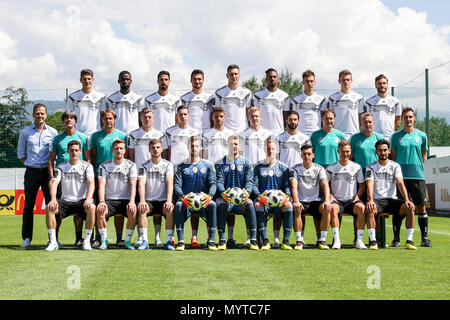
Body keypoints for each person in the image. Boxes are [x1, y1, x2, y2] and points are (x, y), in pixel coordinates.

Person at [48, 110, 91, 247]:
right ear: (63, 121)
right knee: (56, 207)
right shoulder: (57, 139)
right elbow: (51, 160)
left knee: (79, 208)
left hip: (80, 176)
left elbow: (88, 158)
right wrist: (51, 177)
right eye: (66, 118)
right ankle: (54, 239)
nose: (69, 120)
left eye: (72, 118)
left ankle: (79, 239)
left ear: (75, 121)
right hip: (62, 176)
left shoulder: (83, 138)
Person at [17, 103, 57, 248]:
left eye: (42, 113)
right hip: (32, 172)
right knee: (28, 206)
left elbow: (55, 154)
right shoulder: (25, 132)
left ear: (46, 115)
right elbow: (21, 155)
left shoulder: (53, 132)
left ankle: (53, 238)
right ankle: (27, 238)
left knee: (51, 206)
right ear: (33, 115)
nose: (40, 116)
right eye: (37, 113)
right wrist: (32, 164)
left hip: (48, 173)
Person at [365, 139, 417, 250]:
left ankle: (409, 241)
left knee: (410, 207)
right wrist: (370, 200)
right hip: (377, 201)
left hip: (392, 200)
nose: (382, 153)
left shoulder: (395, 166)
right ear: (376, 152)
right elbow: (370, 184)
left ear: (389, 151)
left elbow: (400, 182)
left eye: (385, 150)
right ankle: (373, 242)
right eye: (380, 150)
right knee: (369, 209)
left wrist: (407, 199)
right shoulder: (370, 167)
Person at [45, 140, 96, 251]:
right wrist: (53, 199)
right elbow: (54, 183)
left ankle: (86, 241)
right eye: (72, 150)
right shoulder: (60, 167)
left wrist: (88, 199)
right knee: (50, 207)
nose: (74, 152)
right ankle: (53, 242)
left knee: (92, 207)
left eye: (76, 150)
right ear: (67, 151)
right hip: (65, 201)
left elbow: (91, 183)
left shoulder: (87, 166)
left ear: (80, 151)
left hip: (81, 201)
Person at [391, 107, 431, 247]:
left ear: (414, 118)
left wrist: (415, 166)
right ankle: (396, 239)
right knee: (400, 207)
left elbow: (423, 155)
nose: (408, 119)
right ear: (401, 119)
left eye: (410, 117)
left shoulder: (422, 135)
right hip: (401, 177)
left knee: (421, 207)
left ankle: (424, 238)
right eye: (405, 117)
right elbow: (394, 157)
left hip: (417, 176)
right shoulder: (395, 137)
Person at [128, 107, 167, 245]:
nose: (147, 119)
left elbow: (165, 154)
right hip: (141, 176)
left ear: (153, 118)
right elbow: (131, 156)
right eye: (144, 117)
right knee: (141, 207)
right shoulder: (133, 135)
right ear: (140, 118)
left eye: (150, 117)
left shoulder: (160, 135)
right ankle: (141, 237)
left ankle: (157, 237)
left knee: (157, 205)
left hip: (157, 173)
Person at [90, 109, 127, 247]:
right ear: (102, 120)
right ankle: (99, 238)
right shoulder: (95, 137)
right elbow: (93, 157)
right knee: (99, 206)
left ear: (114, 119)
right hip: (100, 177)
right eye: (106, 118)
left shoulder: (122, 136)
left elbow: (125, 156)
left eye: (110, 118)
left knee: (119, 210)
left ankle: (119, 238)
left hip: (118, 177)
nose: (108, 121)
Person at [173, 136, 217, 251]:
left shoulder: (208, 165)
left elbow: (213, 183)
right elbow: (177, 185)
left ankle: (211, 241)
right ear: (188, 147)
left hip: (203, 200)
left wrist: (210, 196)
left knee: (212, 204)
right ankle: (181, 241)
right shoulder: (180, 166)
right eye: (192, 146)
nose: (194, 148)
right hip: (187, 200)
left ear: (201, 147)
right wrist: (183, 197)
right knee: (178, 205)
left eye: (196, 146)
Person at [215, 135, 258, 250]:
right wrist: (223, 193)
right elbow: (219, 181)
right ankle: (222, 240)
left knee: (249, 204)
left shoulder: (246, 163)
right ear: (227, 145)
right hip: (226, 198)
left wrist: (247, 193)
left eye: (236, 144)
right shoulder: (219, 163)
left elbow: (249, 181)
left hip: (241, 198)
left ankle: (252, 239)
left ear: (239, 145)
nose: (233, 146)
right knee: (222, 205)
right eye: (231, 144)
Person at [276, 110, 310, 247]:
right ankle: (277, 238)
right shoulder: (280, 137)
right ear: (286, 121)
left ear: (299, 121)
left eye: (295, 119)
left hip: (299, 175)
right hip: (283, 175)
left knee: (300, 206)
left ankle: (300, 237)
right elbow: (277, 156)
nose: (293, 122)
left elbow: (308, 156)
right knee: (278, 205)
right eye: (290, 119)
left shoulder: (304, 138)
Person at [96, 139, 137, 250]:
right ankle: (104, 241)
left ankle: (127, 241)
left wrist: (132, 201)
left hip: (126, 200)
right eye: (116, 149)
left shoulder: (131, 165)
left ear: (125, 150)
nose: (119, 150)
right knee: (99, 210)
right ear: (112, 151)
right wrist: (102, 202)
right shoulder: (103, 166)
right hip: (109, 200)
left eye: (121, 148)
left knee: (133, 211)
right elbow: (101, 185)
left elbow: (133, 185)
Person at [289, 144, 332, 250]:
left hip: (315, 200)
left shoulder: (319, 169)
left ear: (313, 155)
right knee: (296, 208)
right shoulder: (295, 169)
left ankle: (322, 240)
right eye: (304, 154)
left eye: (309, 154)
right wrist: (296, 201)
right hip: (301, 200)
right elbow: (294, 186)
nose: (307, 156)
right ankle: (299, 241)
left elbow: (325, 185)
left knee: (327, 208)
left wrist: (327, 201)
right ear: (301, 155)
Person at [253, 138, 293, 250]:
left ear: (277, 150)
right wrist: (259, 196)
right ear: (264, 149)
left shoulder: (284, 168)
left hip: (279, 201)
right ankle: (265, 241)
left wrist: (287, 197)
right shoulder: (258, 167)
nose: (270, 151)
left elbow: (286, 186)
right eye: (268, 148)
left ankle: (286, 242)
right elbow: (254, 186)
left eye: (273, 148)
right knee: (257, 206)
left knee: (289, 206)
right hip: (263, 201)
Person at [136, 138, 175, 250]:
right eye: (153, 148)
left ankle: (168, 241)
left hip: (163, 199)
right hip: (149, 200)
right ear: (149, 150)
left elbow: (169, 182)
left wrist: (168, 200)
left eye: (158, 147)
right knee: (142, 208)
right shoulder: (143, 166)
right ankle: (145, 241)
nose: (155, 150)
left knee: (170, 209)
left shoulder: (168, 165)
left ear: (162, 149)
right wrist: (142, 200)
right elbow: (141, 184)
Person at [327, 140, 366, 250]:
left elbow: (362, 185)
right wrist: (330, 196)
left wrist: (358, 197)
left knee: (361, 208)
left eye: (347, 151)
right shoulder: (331, 168)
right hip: (337, 201)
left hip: (351, 201)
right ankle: (337, 241)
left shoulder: (357, 167)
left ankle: (359, 240)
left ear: (350, 152)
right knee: (333, 208)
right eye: (343, 151)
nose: (345, 154)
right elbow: (324, 185)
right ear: (338, 151)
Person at [103, 70, 145, 135]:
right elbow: (109, 118)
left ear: (131, 81)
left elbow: (141, 118)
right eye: (123, 79)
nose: (125, 81)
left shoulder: (138, 98)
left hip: (134, 134)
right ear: (118, 81)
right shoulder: (111, 99)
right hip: (117, 134)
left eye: (127, 79)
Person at [66, 69, 105, 136]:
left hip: (95, 135)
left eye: (89, 79)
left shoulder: (101, 97)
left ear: (93, 80)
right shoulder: (72, 97)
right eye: (84, 79)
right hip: (77, 134)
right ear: (80, 80)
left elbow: (103, 117)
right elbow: (69, 117)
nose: (87, 81)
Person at [251, 68, 290, 137]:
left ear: (278, 79)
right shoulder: (257, 95)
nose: (272, 78)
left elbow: (286, 117)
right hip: (261, 134)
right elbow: (254, 115)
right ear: (266, 79)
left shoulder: (285, 96)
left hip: (279, 133)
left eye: (274, 77)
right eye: (270, 77)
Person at [327, 69, 364, 140]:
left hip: (354, 134)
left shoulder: (359, 97)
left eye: (348, 80)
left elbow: (360, 117)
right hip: (337, 134)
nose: (345, 82)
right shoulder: (332, 98)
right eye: (343, 80)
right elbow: (330, 117)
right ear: (339, 81)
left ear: (351, 80)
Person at [214, 64, 252, 133]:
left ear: (239, 75)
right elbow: (216, 114)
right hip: (225, 131)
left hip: (243, 131)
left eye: (236, 74)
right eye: (231, 74)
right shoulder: (219, 93)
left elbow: (248, 113)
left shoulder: (247, 92)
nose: (234, 76)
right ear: (227, 75)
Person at [363, 74, 401, 142]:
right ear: (376, 85)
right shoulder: (369, 102)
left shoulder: (396, 101)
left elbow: (398, 119)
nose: (382, 85)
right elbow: (366, 120)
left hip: (390, 137)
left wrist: (391, 130)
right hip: (374, 138)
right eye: (379, 83)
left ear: (387, 84)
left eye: (384, 83)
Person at [290, 70, 327, 137]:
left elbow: (323, 119)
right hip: (300, 134)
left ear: (315, 82)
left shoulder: (321, 99)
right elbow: (293, 118)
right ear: (303, 82)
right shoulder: (295, 99)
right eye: (307, 81)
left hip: (316, 134)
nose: (309, 83)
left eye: (311, 81)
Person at [349, 113, 385, 177]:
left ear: (373, 123)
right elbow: (350, 157)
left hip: (375, 171)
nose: (368, 124)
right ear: (361, 124)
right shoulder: (354, 138)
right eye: (365, 122)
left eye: (370, 122)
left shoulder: (379, 138)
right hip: (359, 172)